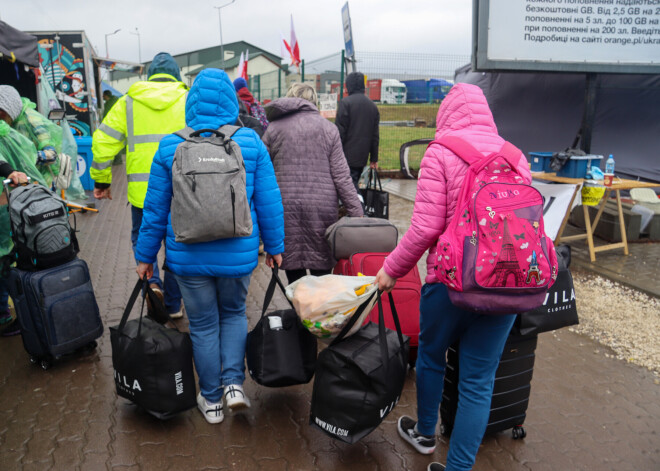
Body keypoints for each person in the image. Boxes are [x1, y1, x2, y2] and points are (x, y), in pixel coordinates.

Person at [375, 83, 532, 471]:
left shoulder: (440, 152)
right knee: (479, 381)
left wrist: (391, 269)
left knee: (430, 357)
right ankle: (458, 467)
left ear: (447, 114)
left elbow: (426, 229)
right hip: (507, 281)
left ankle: (425, 434)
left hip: (451, 282)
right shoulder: (515, 155)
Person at [135, 68, 285, 424]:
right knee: (234, 314)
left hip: (187, 256)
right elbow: (268, 201)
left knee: (202, 324)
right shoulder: (250, 142)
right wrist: (276, 247)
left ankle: (212, 399)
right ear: (232, 102)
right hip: (238, 254)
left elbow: (154, 209)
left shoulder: (171, 145)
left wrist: (145, 256)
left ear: (191, 103)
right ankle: (235, 383)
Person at [91, 52, 186, 319]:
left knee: (142, 239)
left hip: (143, 193)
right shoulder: (189, 99)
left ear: (149, 75)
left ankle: (152, 283)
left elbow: (103, 141)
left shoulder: (128, 102)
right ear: (176, 75)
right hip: (183, 193)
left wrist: (102, 180)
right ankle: (174, 304)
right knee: (178, 243)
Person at [262, 83, 363, 284]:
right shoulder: (329, 129)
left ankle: (300, 312)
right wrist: (358, 216)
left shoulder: (273, 129)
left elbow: (263, 175)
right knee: (322, 275)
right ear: (314, 101)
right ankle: (322, 313)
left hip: (285, 209)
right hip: (322, 211)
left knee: (295, 278)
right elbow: (342, 177)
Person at [334, 72, 380, 192]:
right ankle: (356, 208)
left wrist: (334, 153)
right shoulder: (373, 106)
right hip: (362, 157)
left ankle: (360, 208)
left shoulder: (345, 103)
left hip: (346, 156)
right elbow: (375, 136)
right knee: (353, 184)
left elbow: (339, 132)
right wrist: (373, 159)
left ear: (349, 86)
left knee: (350, 188)